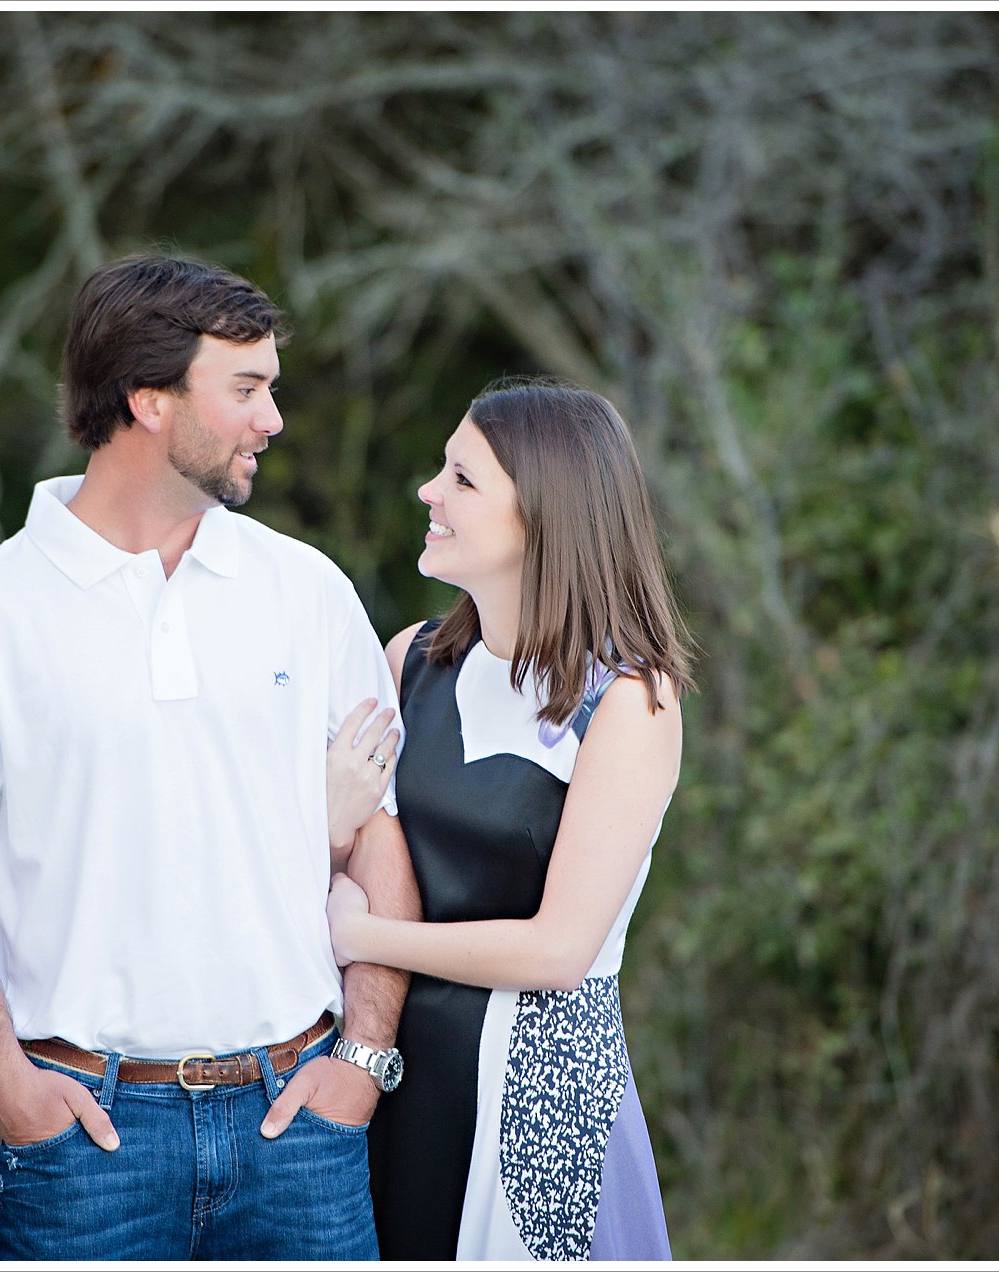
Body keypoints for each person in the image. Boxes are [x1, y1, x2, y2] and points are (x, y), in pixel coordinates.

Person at [0, 253, 419, 1260]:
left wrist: (364, 1060)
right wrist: (7, 1083)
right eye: (245, 389)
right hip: (85, 1143)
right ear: (149, 400)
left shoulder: (307, 592)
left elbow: (377, 833)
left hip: (299, 1127)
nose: (272, 419)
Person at [326, 379, 691, 1261]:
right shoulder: (408, 659)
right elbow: (348, 853)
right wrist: (335, 829)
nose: (429, 492)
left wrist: (365, 938)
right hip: (393, 1077)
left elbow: (557, 952)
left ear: (545, 516)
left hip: (540, 1101)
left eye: (463, 479)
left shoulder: (629, 701)